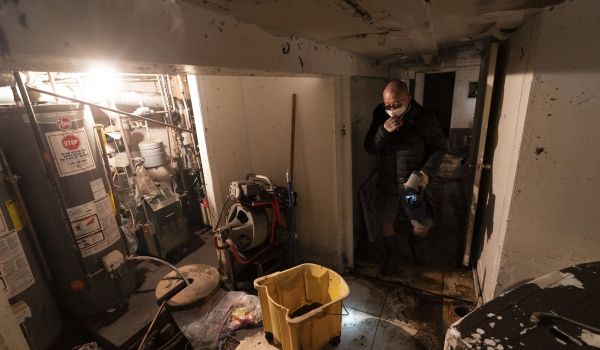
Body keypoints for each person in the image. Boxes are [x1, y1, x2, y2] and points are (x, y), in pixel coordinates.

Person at [364, 80, 447, 275]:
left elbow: (440, 148)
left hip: (413, 184)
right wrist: (383, 131)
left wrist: (427, 172)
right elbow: (369, 147)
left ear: (408, 99)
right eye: (388, 105)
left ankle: (417, 250)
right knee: (386, 221)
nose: (392, 109)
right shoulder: (380, 115)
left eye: (397, 104)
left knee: (419, 224)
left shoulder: (425, 118)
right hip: (388, 184)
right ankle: (392, 258)